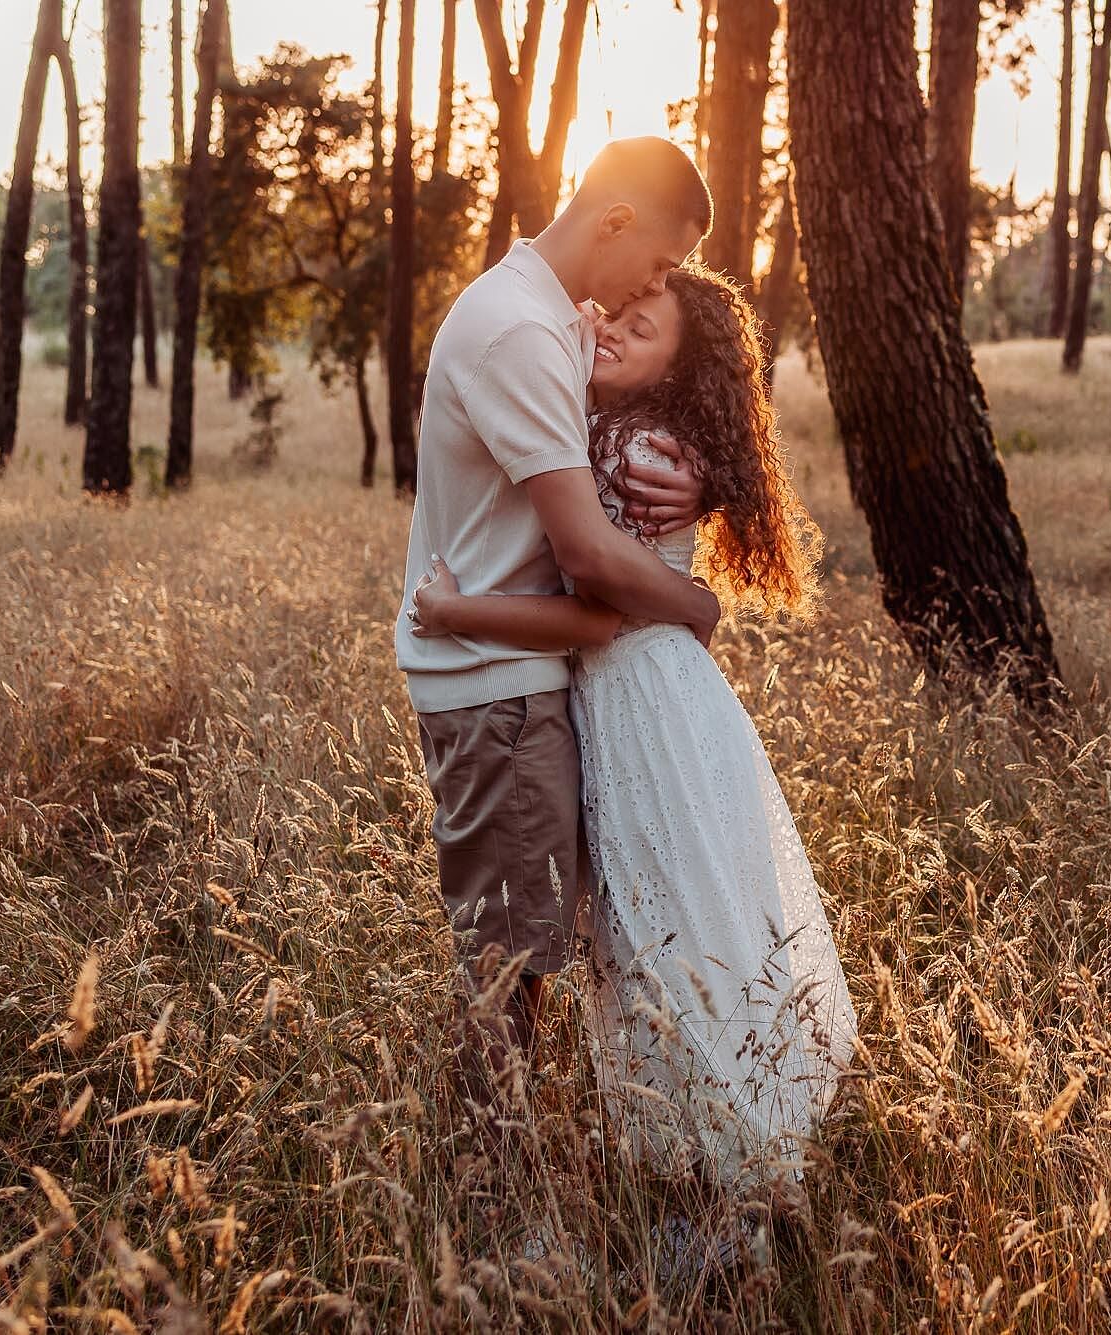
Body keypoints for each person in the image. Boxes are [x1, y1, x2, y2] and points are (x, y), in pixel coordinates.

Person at [411, 266, 857, 1202]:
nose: (609, 329)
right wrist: (697, 602)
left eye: (640, 329)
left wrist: (460, 613)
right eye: (614, 311)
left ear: (674, 371)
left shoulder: (634, 451)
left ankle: (729, 1163)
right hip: (657, 703)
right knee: (675, 931)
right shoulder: (623, 419)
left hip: (646, 711)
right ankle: (713, 1154)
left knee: (671, 936)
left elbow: (594, 613)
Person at [396, 137, 719, 1089]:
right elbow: (583, 553)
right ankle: (486, 1207)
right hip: (499, 695)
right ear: (615, 221)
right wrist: (695, 604)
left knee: (523, 959)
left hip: (511, 681)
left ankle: (501, 1187)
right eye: (658, 264)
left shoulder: (543, 318)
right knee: (511, 974)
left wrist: (678, 487)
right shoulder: (522, 332)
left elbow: (599, 463)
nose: (649, 286)